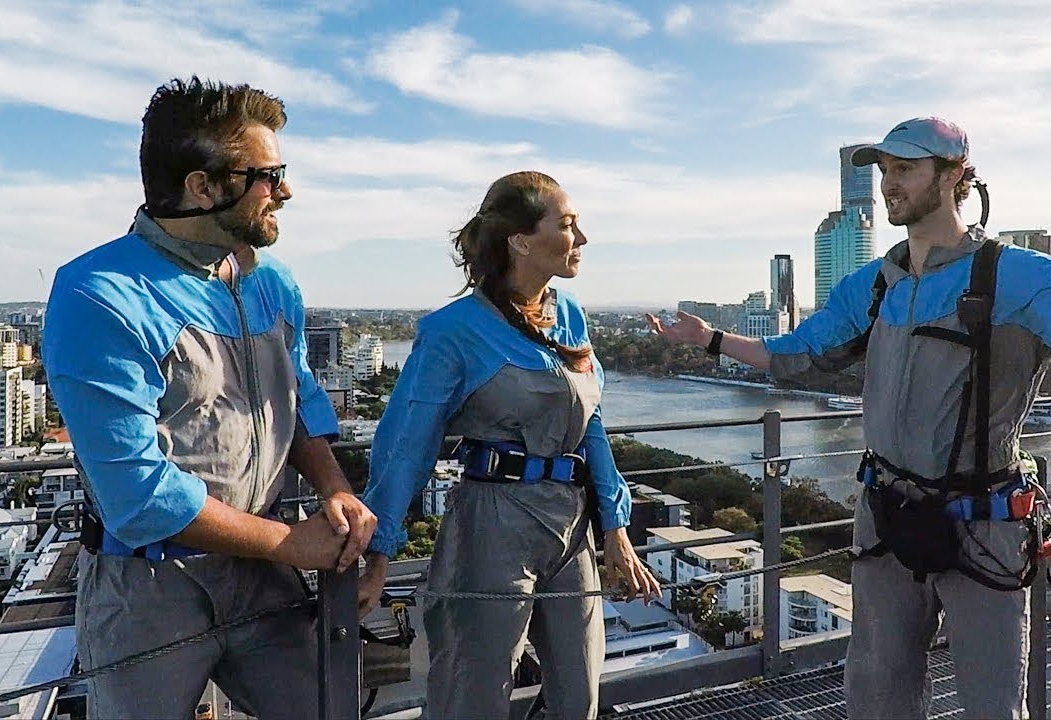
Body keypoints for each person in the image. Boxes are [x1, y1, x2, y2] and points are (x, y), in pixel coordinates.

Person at [648, 117, 1051, 719]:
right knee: (876, 696)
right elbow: (794, 357)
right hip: (885, 520)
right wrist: (711, 339)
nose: (890, 183)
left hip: (983, 523)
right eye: (885, 170)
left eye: (906, 168)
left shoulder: (1024, 277)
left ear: (952, 176)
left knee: (994, 703)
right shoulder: (875, 283)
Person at [42, 77, 376, 719]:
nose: (285, 191)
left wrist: (333, 486)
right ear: (202, 186)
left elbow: (298, 396)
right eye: (268, 174)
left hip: (263, 575)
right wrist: (287, 544)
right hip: (148, 587)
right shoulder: (100, 294)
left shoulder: (271, 280)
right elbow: (136, 494)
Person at [358, 171, 662, 719]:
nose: (583, 239)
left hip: (571, 527)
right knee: (473, 692)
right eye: (568, 226)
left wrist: (616, 530)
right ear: (520, 241)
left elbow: (591, 428)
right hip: (492, 525)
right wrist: (380, 550)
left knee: (579, 693)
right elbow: (406, 445)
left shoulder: (568, 314)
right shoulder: (453, 330)